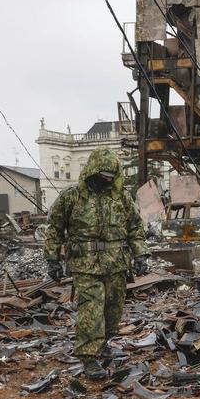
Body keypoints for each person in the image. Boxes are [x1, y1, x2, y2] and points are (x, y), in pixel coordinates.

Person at [44, 148, 148, 380]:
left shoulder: (121, 197)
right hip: (85, 265)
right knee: (91, 311)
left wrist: (141, 254)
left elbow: (135, 228)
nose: (108, 179)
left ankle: (104, 343)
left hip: (116, 264)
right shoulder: (72, 196)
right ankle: (89, 357)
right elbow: (54, 229)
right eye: (103, 174)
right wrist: (52, 259)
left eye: (111, 175)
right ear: (92, 172)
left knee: (113, 309)